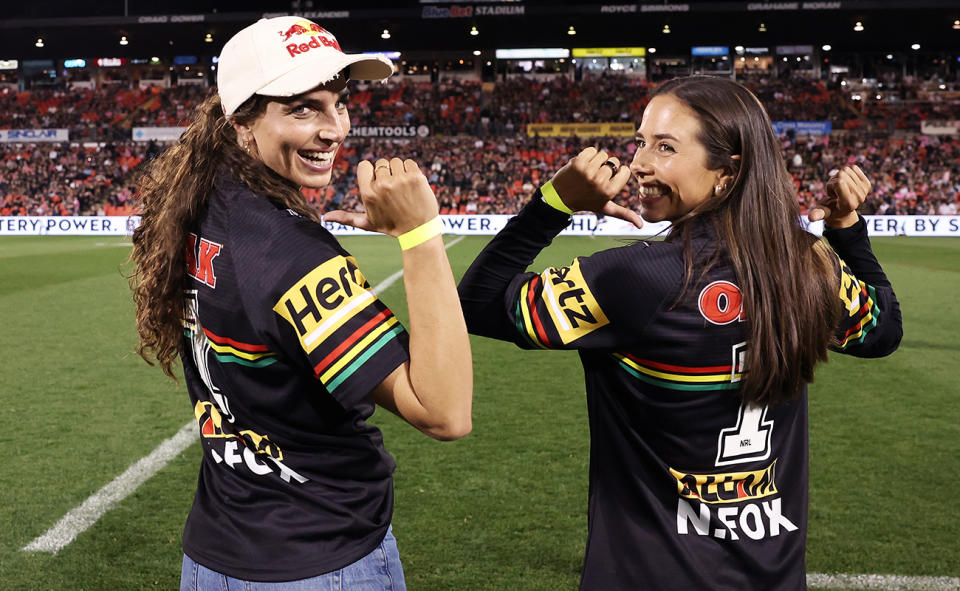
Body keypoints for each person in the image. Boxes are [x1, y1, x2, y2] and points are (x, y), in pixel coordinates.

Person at [457, 76, 901, 590]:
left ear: (726, 173)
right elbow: (885, 331)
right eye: (640, 142)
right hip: (773, 576)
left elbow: (477, 303)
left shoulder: (635, 278)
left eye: (665, 147)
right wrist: (847, 229)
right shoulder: (809, 267)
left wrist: (554, 203)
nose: (639, 162)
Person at [128, 16, 472, 590]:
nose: (335, 128)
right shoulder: (291, 252)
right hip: (319, 557)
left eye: (337, 102)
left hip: (218, 550)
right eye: (302, 109)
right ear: (241, 123)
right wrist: (421, 235)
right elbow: (444, 411)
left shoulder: (204, 203)